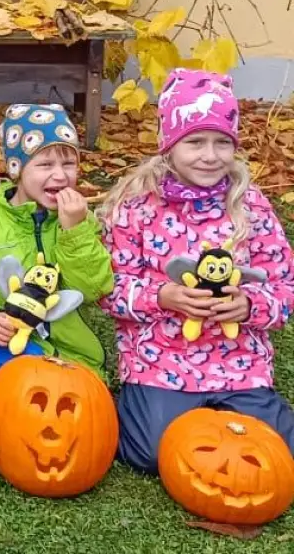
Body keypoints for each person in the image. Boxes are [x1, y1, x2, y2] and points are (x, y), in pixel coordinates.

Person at [100, 69, 294, 473]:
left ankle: (230, 410)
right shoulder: (135, 207)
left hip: (238, 360)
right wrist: (161, 297)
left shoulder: (251, 206)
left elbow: (284, 286)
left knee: (279, 452)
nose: (210, 155)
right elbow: (109, 288)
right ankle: (142, 405)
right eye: (195, 142)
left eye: (223, 142)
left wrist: (250, 305)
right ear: (168, 145)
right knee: (152, 454)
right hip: (162, 359)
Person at [0, 105, 114, 387]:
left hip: (74, 355)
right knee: (21, 400)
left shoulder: (81, 222)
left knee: (79, 413)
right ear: (16, 169)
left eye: (69, 164)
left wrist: (74, 231)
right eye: (45, 165)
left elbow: (94, 288)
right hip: (10, 349)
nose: (61, 176)